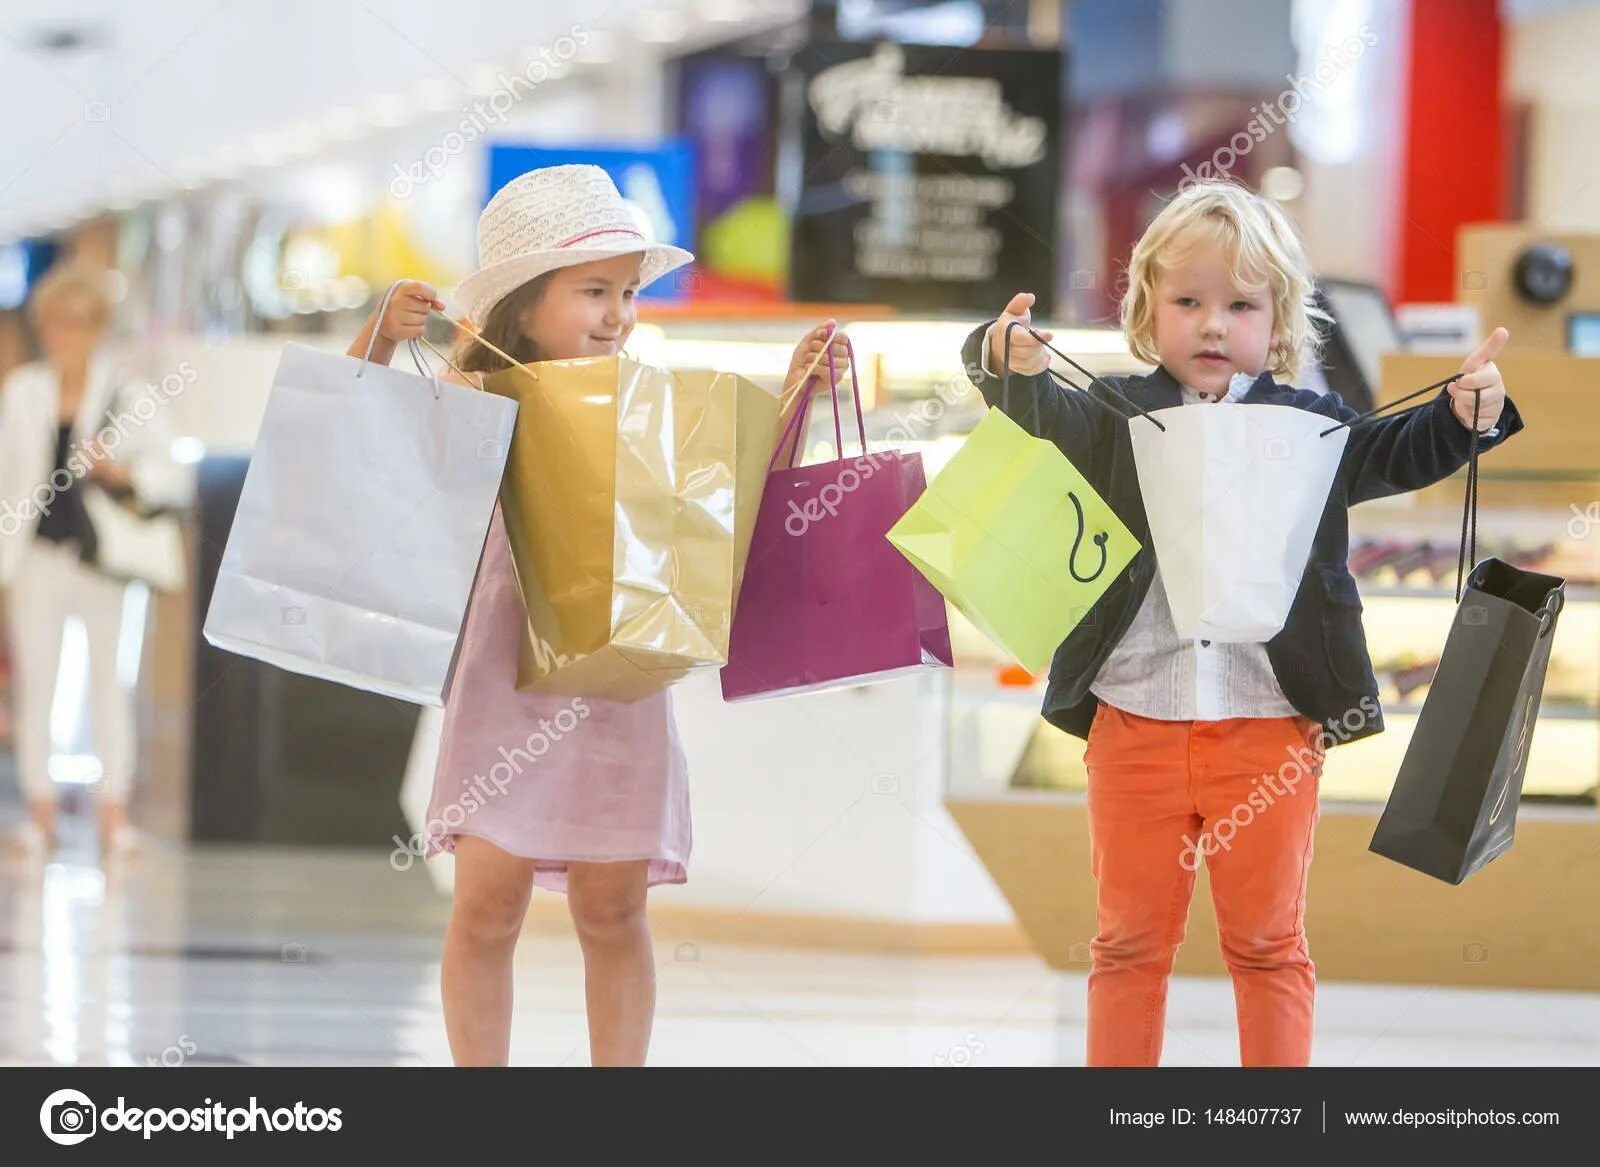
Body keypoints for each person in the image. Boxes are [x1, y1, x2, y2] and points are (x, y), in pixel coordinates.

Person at [963, 180, 1521, 1066]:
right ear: (1148, 310)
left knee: (1267, 946)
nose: (1213, 324)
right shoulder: (1116, 412)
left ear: (1281, 319)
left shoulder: (1312, 425)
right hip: (1132, 721)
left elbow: (1394, 451)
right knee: (1125, 947)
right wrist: (1004, 358)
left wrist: (1465, 413)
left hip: (1271, 728)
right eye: (1187, 301)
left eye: (1240, 304)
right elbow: (1037, 405)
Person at [348, 164, 848, 1066]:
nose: (618, 313)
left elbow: (730, 502)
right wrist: (379, 342)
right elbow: (358, 437)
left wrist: (799, 390)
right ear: (521, 302)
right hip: (505, 686)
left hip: (618, 695)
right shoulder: (472, 398)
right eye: (592, 291)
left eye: (626, 293)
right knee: (485, 905)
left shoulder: (650, 404)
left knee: (614, 909)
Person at [0, 262, 183, 858]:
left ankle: (113, 816)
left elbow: (168, 475)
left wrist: (118, 472)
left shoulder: (128, 395)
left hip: (103, 559)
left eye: (78, 322)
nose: (66, 334)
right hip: (37, 556)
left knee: (110, 682)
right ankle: (41, 813)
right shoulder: (23, 392)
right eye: (55, 322)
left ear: (98, 327)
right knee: (38, 684)